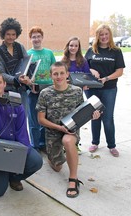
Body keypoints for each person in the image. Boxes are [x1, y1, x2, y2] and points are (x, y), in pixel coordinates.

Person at [0, 72, 43, 197]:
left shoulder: (16, 103)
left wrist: (21, 156)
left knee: (36, 161)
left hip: (14, 147)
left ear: (4, 84)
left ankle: (14, 177)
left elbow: (22, 130)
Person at [36, 62, 101, 198]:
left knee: (68, 141)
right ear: (51, 75)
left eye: (61, 73)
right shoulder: (45, 93)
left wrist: (93, 116)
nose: (59, 76)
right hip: (53, 132)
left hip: (71, 131)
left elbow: (82, 113)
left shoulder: (77, 91)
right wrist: (59, 127)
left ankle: (73, 179)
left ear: (67, 74)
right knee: (57, 167)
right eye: (55, 73)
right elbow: (41, 119)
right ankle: (54, 158)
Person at [85, 24, 125, 157]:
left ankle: (111, 145)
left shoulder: (116, 51)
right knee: (95, 116)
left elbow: (119, 71)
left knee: (107, 118)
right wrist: (91, 70)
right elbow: (84, 66)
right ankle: (95, 142)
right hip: (92, 89)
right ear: (97, 36)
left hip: (109, 89)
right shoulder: (92, 50)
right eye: (101, 34)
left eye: (106, 34)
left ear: (110, 35)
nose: (103, 37)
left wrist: (106, 78)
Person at [0, 17, 31, 113]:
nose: (11, 37)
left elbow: (27, 65)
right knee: (9, 120)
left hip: (22, 90)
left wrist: (28, 77)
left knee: (22, 119)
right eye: (8, 34)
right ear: (3, 34)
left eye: (13, 34)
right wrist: (15, 80)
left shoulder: (20, 47)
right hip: (7, 92)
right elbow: (0, 73)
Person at [26, 26, 56, 151]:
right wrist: (29, 85)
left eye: (38, 36)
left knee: (46, 118)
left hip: (48, 90)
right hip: (33, 90)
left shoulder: (49, 53)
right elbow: (25, 74)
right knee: (33, 119)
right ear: (30, 39)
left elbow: (55, 70)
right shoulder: (27, 54)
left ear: (42, 37)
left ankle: (44, 144)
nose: (36, 39)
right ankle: (35, 145)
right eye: (34, 37)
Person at [61, 36, 91, 154]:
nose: (73, 48)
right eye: (71, 45)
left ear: (78, 47)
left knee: (77, 119)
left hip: (78, 95)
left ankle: (75, 144)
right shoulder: (63, 61)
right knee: (64, 119)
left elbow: (87, 77)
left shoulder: (83, 61)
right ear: (68, 46)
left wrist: (85, 84)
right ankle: (64, 144)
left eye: (76, 45)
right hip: (65, 95)